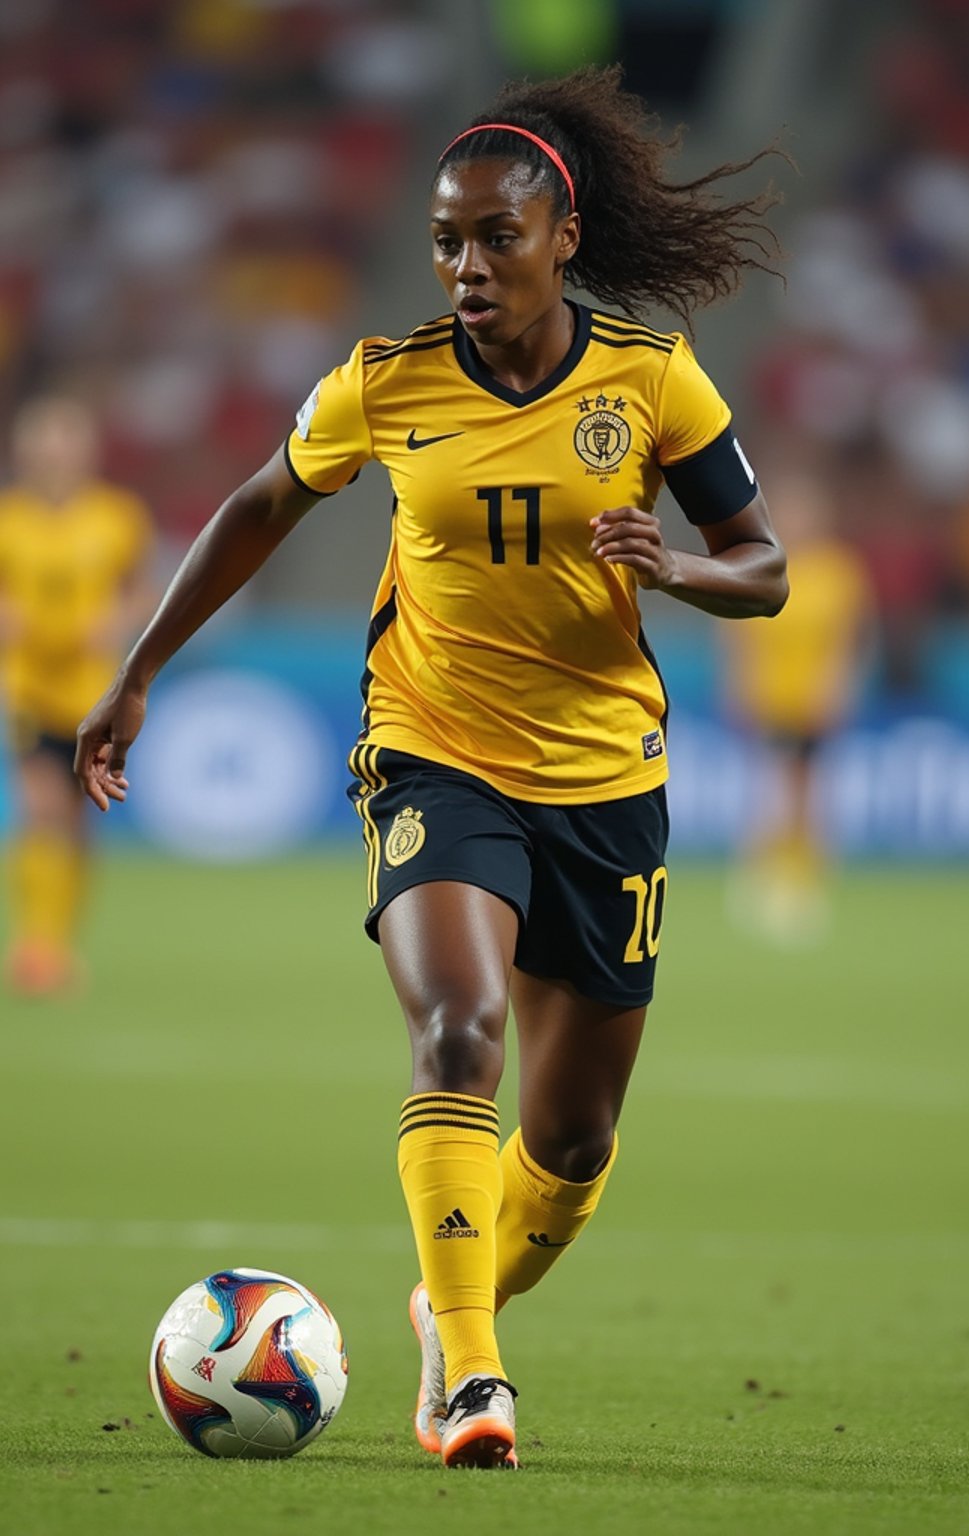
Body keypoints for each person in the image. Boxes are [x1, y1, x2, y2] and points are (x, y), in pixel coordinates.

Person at [75, 66, 788, 1468]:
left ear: (561, 237)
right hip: (433, 751)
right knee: (458, 1029)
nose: (466, 266)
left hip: (604, 779)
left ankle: (442, 1299)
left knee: (571, 1148)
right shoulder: (385, 381)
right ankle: (473, 1374)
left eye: (496, 239)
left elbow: (766, 569)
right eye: (446, 241)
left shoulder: (649, 375)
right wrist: (139, 669)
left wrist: (680, 565)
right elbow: (259, 503)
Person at [0, 396, 154, 995]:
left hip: (94, 695)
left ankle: (60, 939)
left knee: (80, 827)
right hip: (29, 686)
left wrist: (118, 617)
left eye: (67, 444)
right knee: (43, 810)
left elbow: (144, 590)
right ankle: (38, 946)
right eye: (46, 445)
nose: (56, 456)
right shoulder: (9, 518)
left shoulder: (116, 517)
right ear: (27, 451)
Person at [721, 463, 874, 943]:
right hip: (772, 697)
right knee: (773, 792)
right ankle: (763, 878)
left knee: (809, 792)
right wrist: (740, 685)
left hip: (814, 700)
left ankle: (803, 883)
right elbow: (738, 634)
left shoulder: (838, 570)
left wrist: (841, 686)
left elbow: (851, 639)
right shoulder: (765, 561)